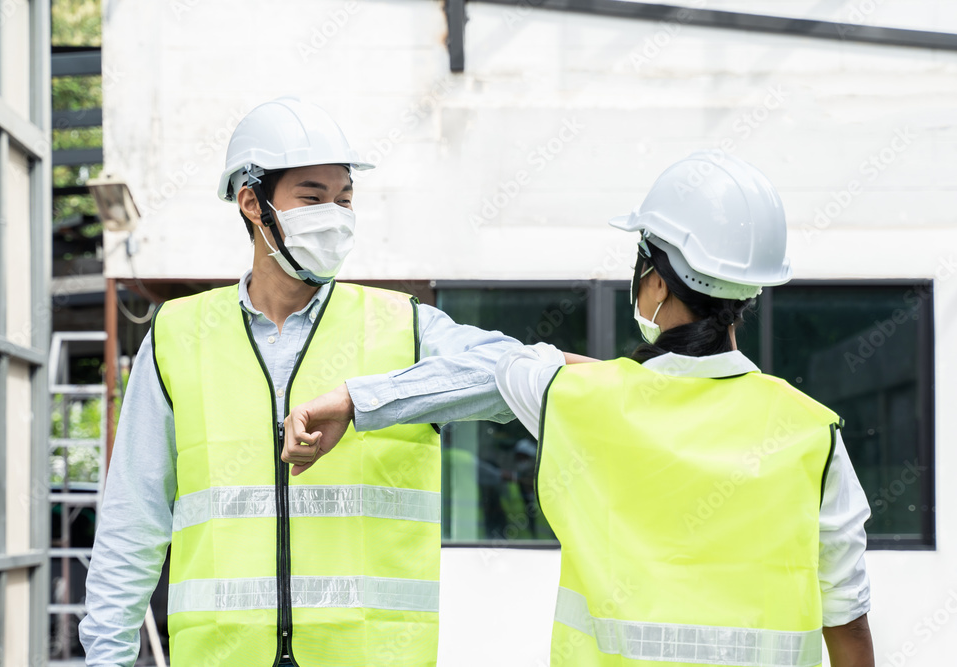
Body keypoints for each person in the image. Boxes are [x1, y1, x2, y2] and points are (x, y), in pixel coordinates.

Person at [286, 152, 874, 666]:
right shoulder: (810, 431)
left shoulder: (579, 400)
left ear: (657, 283)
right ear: (750, 290)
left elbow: (490, 369)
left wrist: (353, 400)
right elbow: (846, 624)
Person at [79, 96, 518, 667]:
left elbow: (513, 373)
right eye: (312, 197)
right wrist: (105, 659)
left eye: (345, 199)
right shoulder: (176, 335)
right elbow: (131, 522)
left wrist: (366, 400)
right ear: (252, 202)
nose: (334, 214)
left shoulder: (401, 324)